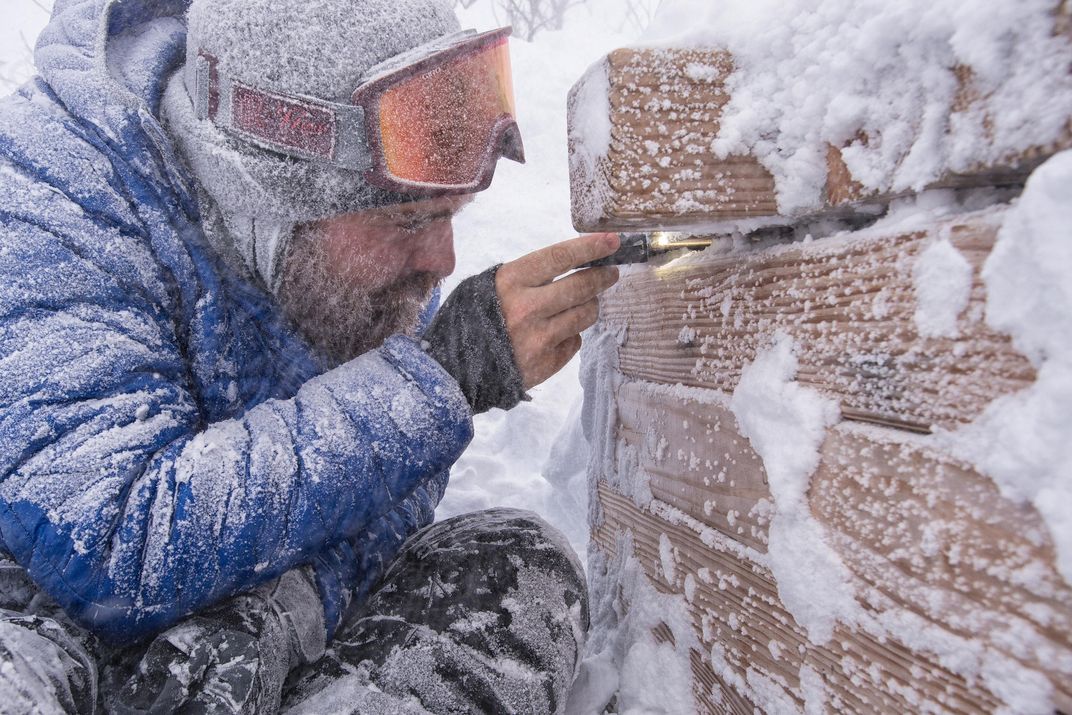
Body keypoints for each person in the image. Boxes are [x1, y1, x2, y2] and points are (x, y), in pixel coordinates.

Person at [0, 0, 621, 711]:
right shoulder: (49, 198)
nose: (442, 260)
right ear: (267, 194)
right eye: (409, 219)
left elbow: (389, 472)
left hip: (235, 623)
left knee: (516, 581)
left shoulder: (372, 219)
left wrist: (286, 606)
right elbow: (111, 545)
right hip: (34, 608)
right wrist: (436, 380)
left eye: (450, 216)